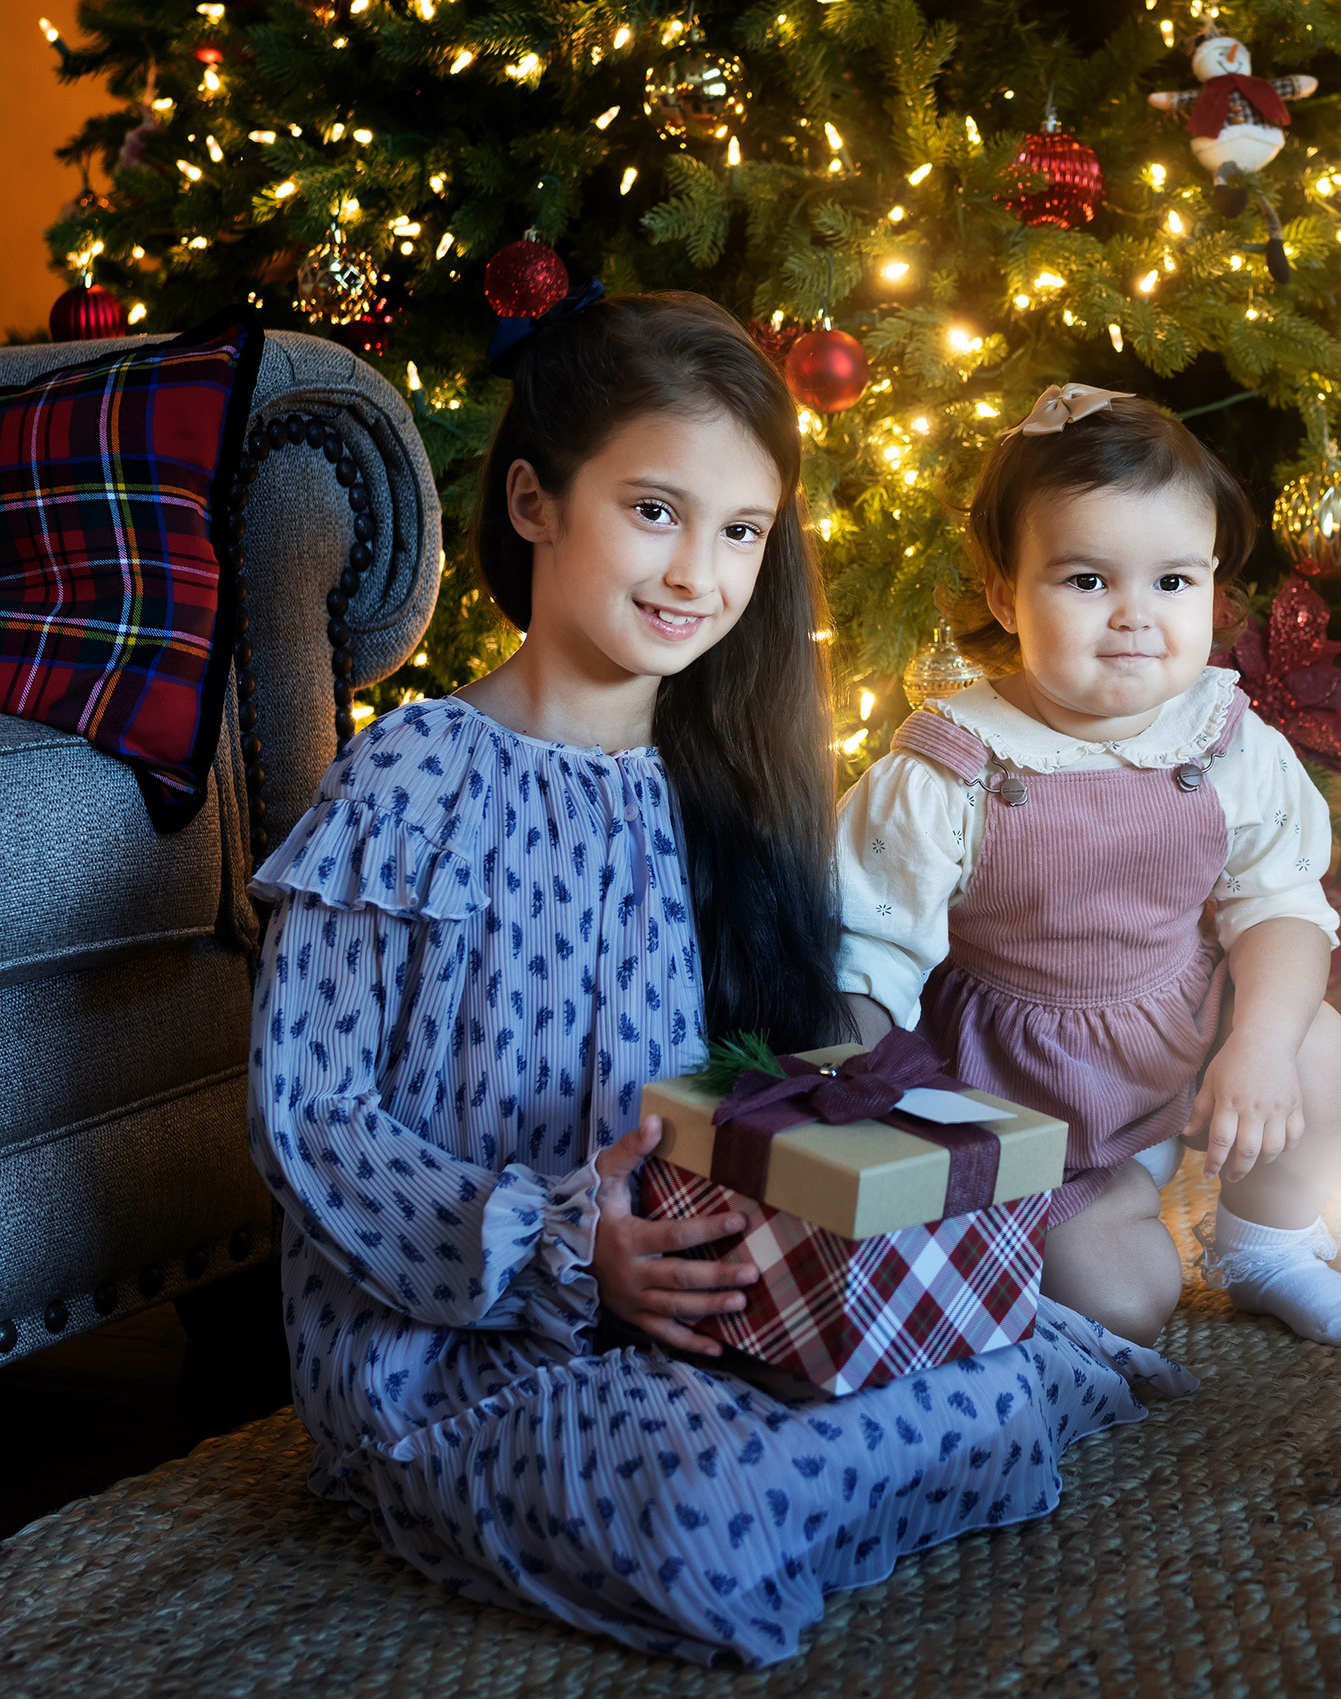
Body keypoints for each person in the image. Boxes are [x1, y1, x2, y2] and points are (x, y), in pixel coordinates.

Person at [245, 294, 1192, 1668]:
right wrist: (562, 1250)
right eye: (654, 509)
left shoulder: (718, 787)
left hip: (699, 1295)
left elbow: (759, 1077)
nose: (700, 568)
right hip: (459, 1344)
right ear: (534, 500)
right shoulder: (413, 776)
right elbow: (309, 1108)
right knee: (715, 1511)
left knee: (997, 1371)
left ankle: (818, 1425)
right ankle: (726, 1473)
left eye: (742, 530)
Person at [833, 384, 1341, 1350]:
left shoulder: (1226, 739)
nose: (1136, 617)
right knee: (1128, 1301)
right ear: (1006, 592)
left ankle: (1266, 1245)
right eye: (1087, 581)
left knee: (1316, 1043)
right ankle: (1099, 1213)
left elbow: (1280, 908)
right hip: (1023, 1096)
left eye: (1173, 582)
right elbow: (868, 956)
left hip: (1183, 1050)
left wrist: (1256, 1041)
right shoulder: (951, 766)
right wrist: (851, 1116)